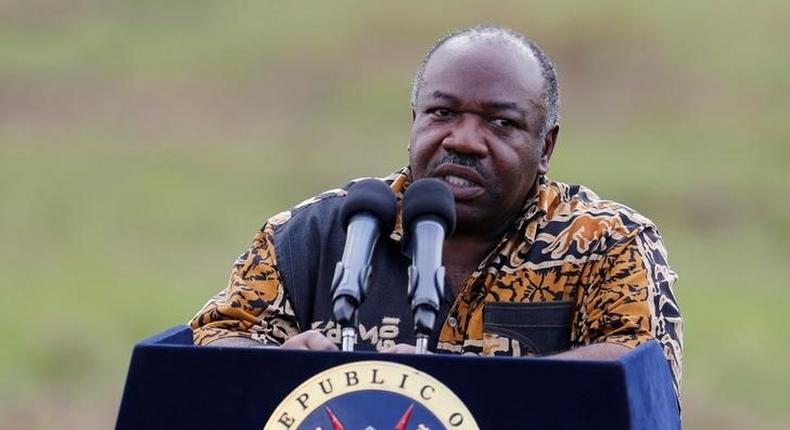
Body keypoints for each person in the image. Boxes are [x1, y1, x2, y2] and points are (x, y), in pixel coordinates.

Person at [190, 25, 683, 396]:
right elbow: (213, 342)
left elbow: (641, 374)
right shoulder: (318, 233)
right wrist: (275, 368)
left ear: (545, 146)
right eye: (442, 113)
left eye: (501, 122)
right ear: (414, 121)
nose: (464, 140)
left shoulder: (604, 242)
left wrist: (458, 380)